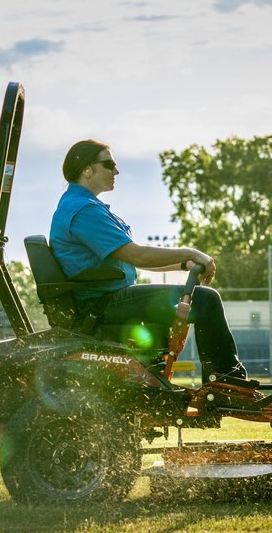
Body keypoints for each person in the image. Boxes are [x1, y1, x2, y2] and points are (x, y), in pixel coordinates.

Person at [50, 139, 250, 382]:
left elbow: (132, 261)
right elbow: (137, 255)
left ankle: (219, 381)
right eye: (109, 164)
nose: (116, 171)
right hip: (101, 304)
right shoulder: (84, 210)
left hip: (102, 301)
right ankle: (227, 382)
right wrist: (190, 253)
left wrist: (183, 265)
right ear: (87, 169)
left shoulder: (82, 206)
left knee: (203, 299)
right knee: (206, 300)